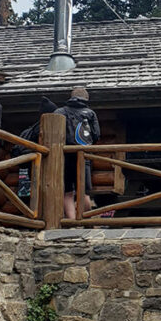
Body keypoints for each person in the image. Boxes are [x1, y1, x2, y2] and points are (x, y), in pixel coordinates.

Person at [56, 86, 100, 220]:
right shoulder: (90, 113)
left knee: (67, 192)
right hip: (84, 155)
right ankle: (85, 220)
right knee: (84, 192)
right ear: (86, 99)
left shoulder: (59, 112)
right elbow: (96, 135)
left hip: (65, 156)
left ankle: (72, 222)